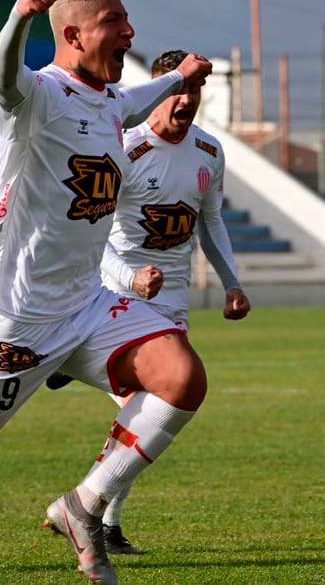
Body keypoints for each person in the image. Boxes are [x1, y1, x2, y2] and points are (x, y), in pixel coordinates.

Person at [0, 0, 213, 585]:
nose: (129, 31)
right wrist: (20, 16)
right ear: (71, 35)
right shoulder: (36, 95)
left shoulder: (110, 101)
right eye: (114, 22)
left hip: (88, 305)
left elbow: (137, 97)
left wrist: (180, 77)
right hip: (19, 316)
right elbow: (2, 76)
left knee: (181, 376)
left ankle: (84, 505)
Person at [46, 49, 252, 555]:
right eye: (177, 90)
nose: (185, 100)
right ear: (158, 92)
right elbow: (92, 230)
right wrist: (130, 276)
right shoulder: (124, 147)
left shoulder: (208, 151)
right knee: (146, 408)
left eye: (194, 91)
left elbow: (211, 221)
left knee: (148, 413)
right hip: (114, 296)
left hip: (172, 303)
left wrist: (232, 283)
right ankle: (98, 518)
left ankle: (99, 515)